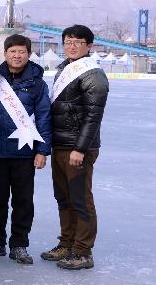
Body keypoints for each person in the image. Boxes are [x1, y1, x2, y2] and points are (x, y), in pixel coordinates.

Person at [41, 24, 109, 270]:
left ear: (89, 46)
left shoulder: (93, 75)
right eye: (68, 42)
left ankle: (82, 251)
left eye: (78, 42)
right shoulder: (65, 69)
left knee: (80, 199)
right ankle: (66, 243)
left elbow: (93, 117)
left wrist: (80, 149)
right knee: (63, 198)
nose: (71, 46)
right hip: (60, 144)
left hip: (78, 148)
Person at [0, 34, 51, 264]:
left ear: (29, 54)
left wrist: (42, 150)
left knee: (23, 201)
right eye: (13, 51)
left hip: (25, 152)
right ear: (5, 53)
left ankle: (19, 244)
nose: (17, 55)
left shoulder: (38, 84)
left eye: (22, 52)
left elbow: (44, 118)